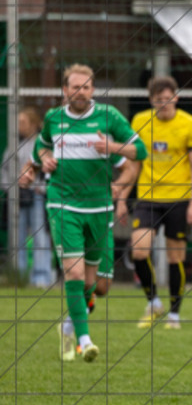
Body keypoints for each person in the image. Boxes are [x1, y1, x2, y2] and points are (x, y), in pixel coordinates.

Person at [20, 64, 146, 363]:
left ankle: (68, 326)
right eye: (75, 87)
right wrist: (39, 163)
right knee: (74, 273)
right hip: (63, 203)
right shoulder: (54, 118)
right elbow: (39, 150)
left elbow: (139, 152)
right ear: (65, 90)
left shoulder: (109, 117)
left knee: (98, 286)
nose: (80, 92)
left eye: (86, 87)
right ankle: (85, 340)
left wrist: (112, 147)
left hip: (99, 207)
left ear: (93, 90)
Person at [129, 76, 192, 329]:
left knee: (176, 256)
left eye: (168, 98)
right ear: (151, 100)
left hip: (179, 198)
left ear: (176, 97)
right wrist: (121, 194)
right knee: (139, 249)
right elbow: (134, 161)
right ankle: (154, 303)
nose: (164, 104)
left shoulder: (190, 124)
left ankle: (174, 315)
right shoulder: (140, 121)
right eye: (159, 100)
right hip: (147, 197)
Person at [2, 106, 53, 287]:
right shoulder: (14, 145)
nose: (19, 126)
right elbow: (5, 169)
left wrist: (42, 188)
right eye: (17, 122)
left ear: (33, 124)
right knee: (17, 236)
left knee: (40, 237)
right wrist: (10, 188)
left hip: (36, 196)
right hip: (17, 197)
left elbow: (50, 169)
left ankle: (41, 277)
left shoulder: (42, 143)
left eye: (23, 122)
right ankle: (19, 275)